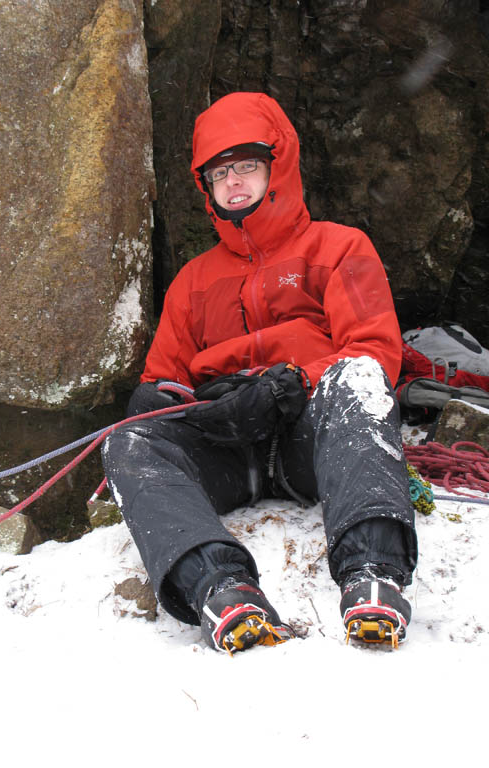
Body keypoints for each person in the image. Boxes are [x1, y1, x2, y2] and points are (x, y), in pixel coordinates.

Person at [102, 92, 418, 653]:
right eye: (220, 173)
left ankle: (373, 574)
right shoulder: (192, 282)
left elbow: (371, 351)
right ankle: (220, 586)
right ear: (207, 189)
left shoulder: (340, 247)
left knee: (361, 383)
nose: (235, 181)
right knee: (128, 441)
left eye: (247, 164)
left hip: (313, 441)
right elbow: (161, 384)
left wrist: (291, 384)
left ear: (279, 165)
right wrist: (194, 408)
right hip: (231, 450)